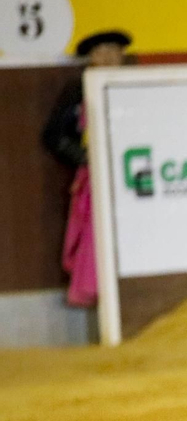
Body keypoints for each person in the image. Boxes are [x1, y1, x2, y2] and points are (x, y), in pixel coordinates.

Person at [41, 30, 132, 311]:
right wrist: (86, 159)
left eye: (114, 50)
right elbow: (54, 136)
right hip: (98, 179)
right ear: (91, 58)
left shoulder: (134, 84)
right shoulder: (79, 89)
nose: (108, 56)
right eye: (102, 51)